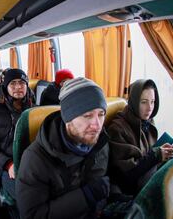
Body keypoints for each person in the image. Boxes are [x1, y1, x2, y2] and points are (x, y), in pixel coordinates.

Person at [16, 77, 110, 219]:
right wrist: (85, 196)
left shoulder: (100, 142)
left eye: (101, 114)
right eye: (87, 115)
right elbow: (32, 215)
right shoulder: (35, 159)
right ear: (68, 118)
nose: (97, 126)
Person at [106, 79, 173, 196]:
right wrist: (156, 155)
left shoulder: (147, 122)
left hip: (145, 177)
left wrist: (161, 154)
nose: (150, 108)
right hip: (128, 187)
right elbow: (127, 174)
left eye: (153, 101)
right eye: (144, 102)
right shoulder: (117, 129)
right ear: (133, 101)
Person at [0, 69, 33, 201]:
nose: (18, 87)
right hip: (2, 166)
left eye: (22, 83)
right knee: (27, 197)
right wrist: (8, 164)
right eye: (13, 84)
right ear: (5, 88)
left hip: (31, 163)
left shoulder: (35, 111)